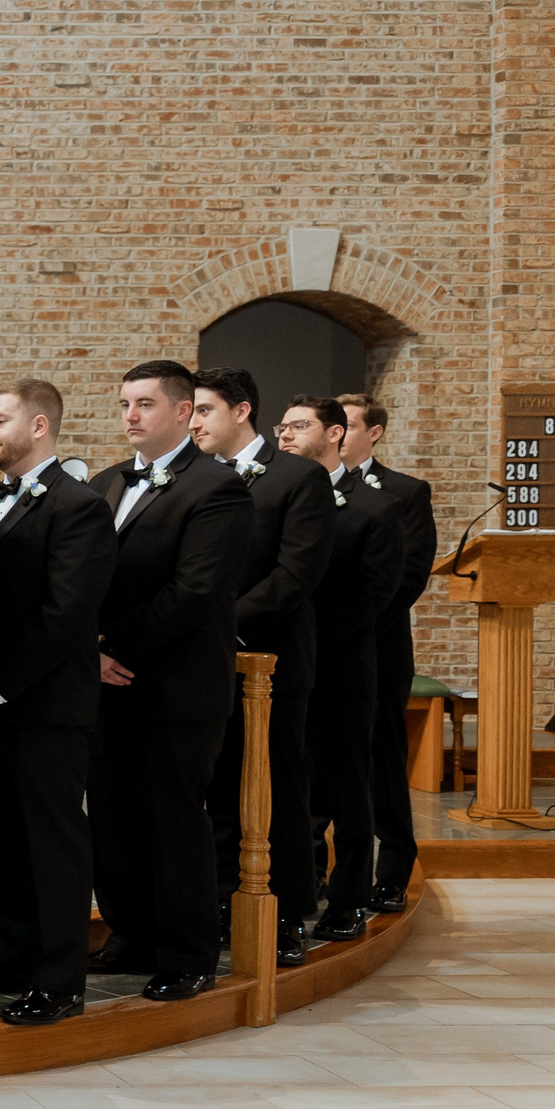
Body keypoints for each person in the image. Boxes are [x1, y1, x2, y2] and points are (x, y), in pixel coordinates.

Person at [87, 360, 250, 1000]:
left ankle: (188, 954)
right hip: (102, 683)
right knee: (113, 818)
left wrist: (110, 642)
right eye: (126, 402)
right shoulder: (106, 482)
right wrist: (85, 649)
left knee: (175, 822)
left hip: (175, 685)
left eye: (146, 403)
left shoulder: (217, 488)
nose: (131, 414)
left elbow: (197, 591)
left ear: (184, 412)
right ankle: (131, 934)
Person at [0, 380, 116, 1026]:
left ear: (41, 425)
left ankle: (59, 977)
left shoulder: (77, 505)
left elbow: (64, 614)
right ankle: (11, 953)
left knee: (52, 840)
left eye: (1, 419)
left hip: (46, 703)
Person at [191, 366, 332, 964]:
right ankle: (222, 904)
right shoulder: (192, 481)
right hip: (204, 663)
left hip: (270, 663)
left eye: (205, 410)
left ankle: (284, 918)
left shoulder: (297, 478)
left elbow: (295, 573)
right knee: (218, 791)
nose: (194, 422)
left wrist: (221, 625)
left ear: (241, 411)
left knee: (276, 791)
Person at [278, 395, 404, 943]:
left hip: (339, 672)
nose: (285, 435)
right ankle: (298, 891)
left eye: (300, 426)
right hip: (279, 674)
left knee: (348, 790)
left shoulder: (373, 509)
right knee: (291, 792)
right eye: (281, 426)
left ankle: (349, 899)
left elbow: (373, 598)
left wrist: (303, 643)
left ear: (335, 434)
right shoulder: (274, 498)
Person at [339, 393, 436, 913]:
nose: (340, 432)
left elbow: (407, 577)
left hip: (379, 647)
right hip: (322, 652)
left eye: (350, 425)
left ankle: (394, 869)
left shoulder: (404, 492)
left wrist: (347, 627)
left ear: (374, 432)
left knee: (381, 758)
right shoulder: (308, 486)